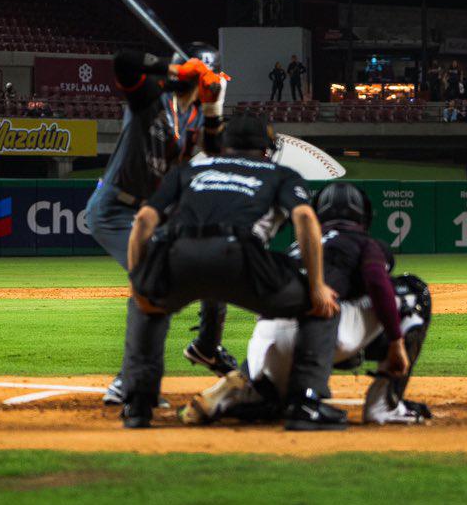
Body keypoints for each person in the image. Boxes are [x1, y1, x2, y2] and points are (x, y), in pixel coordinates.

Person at [123, 113, 343, 430]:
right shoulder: (280, 173)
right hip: (240, 260)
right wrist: (318, 286)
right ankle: (304, 403)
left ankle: (137, 405)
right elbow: (306, 220)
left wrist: (139, 282)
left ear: (224, 145)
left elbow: (143, 221)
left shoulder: (189, 170)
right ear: (267, 148)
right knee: (320, 307)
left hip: (179, 257)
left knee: (147, 306)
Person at [180, 182, 433, 427]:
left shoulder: (299, 245)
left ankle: (242, 390)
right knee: (412, 290)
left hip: (265, 346)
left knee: (274, 405)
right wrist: (395, 342)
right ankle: (384, 405)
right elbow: (378, 284)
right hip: (317, 334)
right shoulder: (365, 243)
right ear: (365, 216)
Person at [85, 43, 237, 408]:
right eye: (206, 83)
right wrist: (174, 69)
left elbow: (215, 153)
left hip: (156, 214)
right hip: (114, 211)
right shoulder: (151, 98)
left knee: (215, 258)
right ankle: (129, 382)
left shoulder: (197, 117)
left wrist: (215, 109)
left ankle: (207, 346)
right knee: (152, 281)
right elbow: (123, 58)